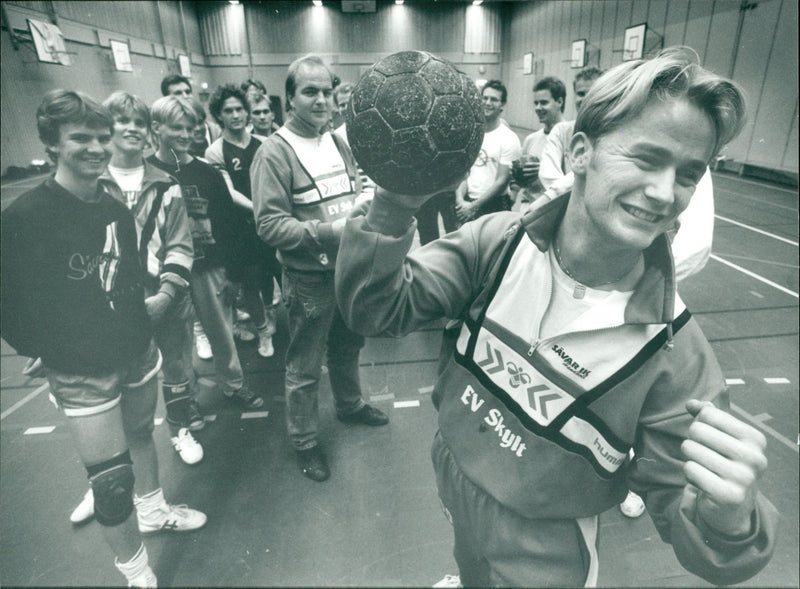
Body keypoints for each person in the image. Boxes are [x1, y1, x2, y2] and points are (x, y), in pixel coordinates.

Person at [336, 47, 777, 587]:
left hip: (545, 546)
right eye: (645, 159)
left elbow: (703, 543)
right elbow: (374, 310)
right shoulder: (496, 244)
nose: (666, 193)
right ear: (581, 153)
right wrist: (393, 203)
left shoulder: (674, 354)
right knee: (469, 569)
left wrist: (728, 518)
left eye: (688, 174)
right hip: (454, 476)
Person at [1, 89, 207, 588]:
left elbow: (129, 281)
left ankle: (155, 510)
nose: (95, 147)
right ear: (51, 145)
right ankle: (138, 574)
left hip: (135, 352)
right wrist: (44, 348)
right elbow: (10, 303)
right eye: (80, 139)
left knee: (141, 435)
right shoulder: (23, 218)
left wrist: (143, 329)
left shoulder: (114, 210)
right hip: (79, 369)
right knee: (111, 482)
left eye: (100, 137)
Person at [251, 54, 389, 482]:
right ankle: (305, 441)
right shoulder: (274, 152)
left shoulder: (337, 141)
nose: (322, 100)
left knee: (348, 345)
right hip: (309, 278)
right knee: (304, 365)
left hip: (348, 269)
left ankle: (349, 406)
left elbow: (353, 192)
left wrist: (364, 210)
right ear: (289, 98)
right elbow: (270, 225)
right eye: (310, 92)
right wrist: (333, 231)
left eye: (328, 91)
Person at [146, 95, 265, 411]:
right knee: (177, 342)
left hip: (209, 267)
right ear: (156, 128)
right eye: (176, 128)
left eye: (190, 128)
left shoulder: (208, 173)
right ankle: (187, 397)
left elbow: (230, 228)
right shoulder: (147, 174)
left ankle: (234, 385)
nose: (185, 135)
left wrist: (234, 275)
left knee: (222, 334)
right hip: (166, 275)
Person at [206, 84, 279, 358]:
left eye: (239, 109)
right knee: (249, 284)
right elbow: (228, 193)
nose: (235, 115)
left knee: (282, 276)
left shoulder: (264, 144)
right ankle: (262, 331)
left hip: (271, 226)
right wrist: (261, 210)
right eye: (228, 110)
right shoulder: (215, 151)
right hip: (242, 231)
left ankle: (282, 322)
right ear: (219, 115)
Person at [454, 79, 521, 224]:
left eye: (494, 99)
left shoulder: (509, 138)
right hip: (468, 202)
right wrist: (460, 200)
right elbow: (465, 173)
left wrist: (474, 206)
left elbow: (502, 181)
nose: (488, 103)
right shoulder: (472, 134)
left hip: (494, 204)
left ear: (502, 105)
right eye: (485, 98)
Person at [512, 76, 566, 207]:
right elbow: (519, 184)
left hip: (555, 209)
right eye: (536, 103)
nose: (538, 107)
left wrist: (543, 172)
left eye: (543, 103)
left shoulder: (570, 137)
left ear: (559, 102)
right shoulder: (531, 139)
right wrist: (516, 174)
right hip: (529, 207)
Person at [160, 74, 221, 151]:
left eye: (188, 92)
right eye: (178, 93)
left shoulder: (215, 131)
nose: (185, 96)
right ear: (167, 99)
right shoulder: (166, 134)